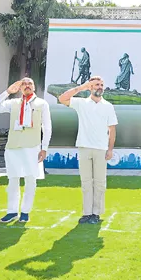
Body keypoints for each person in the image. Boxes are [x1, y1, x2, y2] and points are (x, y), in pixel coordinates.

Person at [0, 78, 52, 223]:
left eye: (30, 83)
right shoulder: (13, 103)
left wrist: (44, 148)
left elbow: (47, 127)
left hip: (32, 146)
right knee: (13, 180)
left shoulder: (42, 104)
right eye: (24, 84)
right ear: (20, 88)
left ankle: (25, 211)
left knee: (31, 180)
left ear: (34, 87)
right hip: (13, 146)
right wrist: (7, 92)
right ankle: (12, 211)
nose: (27, 86)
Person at [59, 76, 118, 224]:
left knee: (99, 183)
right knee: (86, 182)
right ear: (90, 87)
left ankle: (96, 213)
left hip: (101, 149)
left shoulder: (108, 106)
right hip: (84, 147)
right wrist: (80, 88)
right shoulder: (81, 103)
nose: (100, 87)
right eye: (96, 84)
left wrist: (110, 149)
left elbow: (112, 129)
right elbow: (62, 98)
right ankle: (86, 213)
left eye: (101, 85)